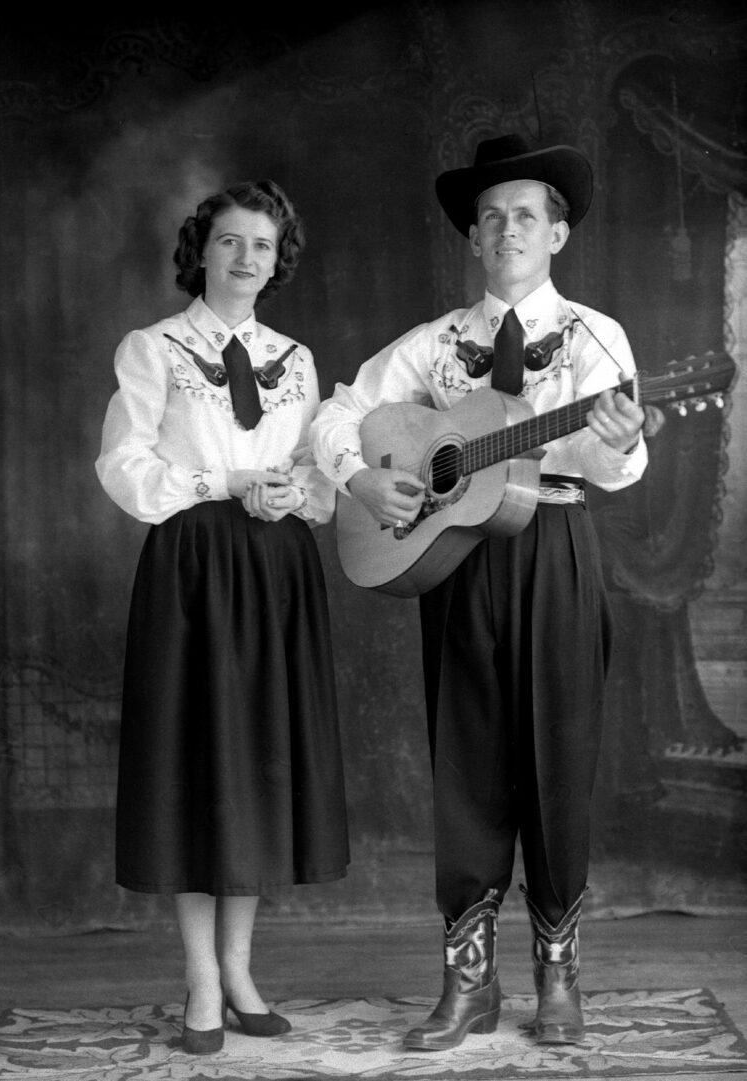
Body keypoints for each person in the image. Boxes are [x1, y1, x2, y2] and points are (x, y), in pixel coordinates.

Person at [309, 134, 647, 1051]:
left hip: (557, 548)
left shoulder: (594, 337)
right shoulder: (435, 345)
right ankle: (469, 982)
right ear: (473, 236)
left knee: (558, 756)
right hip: (456, 561)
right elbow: (339, 413)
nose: (507, 230)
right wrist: (362, 479)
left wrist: (611, 436)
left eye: (525, 215)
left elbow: (624, 464)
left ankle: (558, 976)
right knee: (465, 760)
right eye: (490, 216)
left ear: (558, 233)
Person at [96, 180, 349, 1055]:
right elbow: (123, 466)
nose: (247, 258)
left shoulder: (298, 359)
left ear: (280, 262)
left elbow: (320, 478)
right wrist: (222, 482)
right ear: (201, 250)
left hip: (276, 569)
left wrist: (293, 491)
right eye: (231, 242)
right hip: (194, 570)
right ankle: (201, 976)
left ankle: (241, 969)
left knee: (257, 771)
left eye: (264, 247)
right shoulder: (154, 349)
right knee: (197, 766)